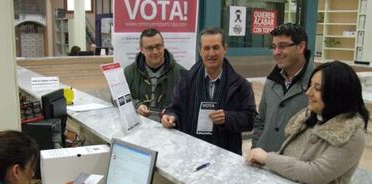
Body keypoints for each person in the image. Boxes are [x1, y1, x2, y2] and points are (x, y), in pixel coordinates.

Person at [246, 61, 369, 184]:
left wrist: (267, 158)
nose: (308, 92)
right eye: (310, 85)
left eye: (317, 88)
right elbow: (288, 155)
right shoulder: (308, 118)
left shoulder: (351, 133)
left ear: (337, 94)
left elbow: (314, 173)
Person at [162, 27, 256, 155]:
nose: (211, 53)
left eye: (216, 48)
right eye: (206, 48)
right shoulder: (185, 81)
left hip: (225, 156)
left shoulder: (241, 85)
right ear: (200, 51)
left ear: (225, 49)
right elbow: (174, 108)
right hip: (191, 153)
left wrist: (227, 118)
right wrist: (170, 116)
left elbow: (251, 120)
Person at [251, 23, 314, 152]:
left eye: (282, 46)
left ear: (301, 47)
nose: (276, 52)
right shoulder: (270, 82)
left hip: (296, 166)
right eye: (273, 47)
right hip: (264, 161)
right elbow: (260, 121)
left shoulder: (318, 84)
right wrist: (256, 148)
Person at [124, 28, 185, 122]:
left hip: (170, 129)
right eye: (149, 48)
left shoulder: (181, 73)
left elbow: (188, 103)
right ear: (141, 49)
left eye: (158, 46)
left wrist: (172, 112)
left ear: (164, 45)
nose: (155, 52)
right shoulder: (129, 72)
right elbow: (116, 97)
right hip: (138, 125)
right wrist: (137, 105)